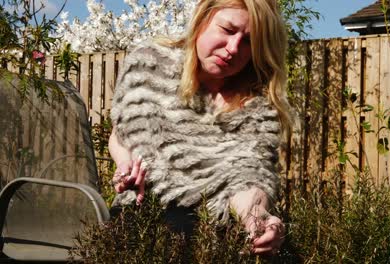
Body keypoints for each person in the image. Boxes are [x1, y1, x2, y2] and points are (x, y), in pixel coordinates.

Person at [108, 0, 293, 255]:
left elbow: (250, 175)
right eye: (228, 30)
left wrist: (257, 218)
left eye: (248, 41)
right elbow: (122, 134)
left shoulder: (256, 105)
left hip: (213, 226)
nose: (233, 48)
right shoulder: (148, 67)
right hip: (142, 212)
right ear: (202, 18)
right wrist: (125, 164)